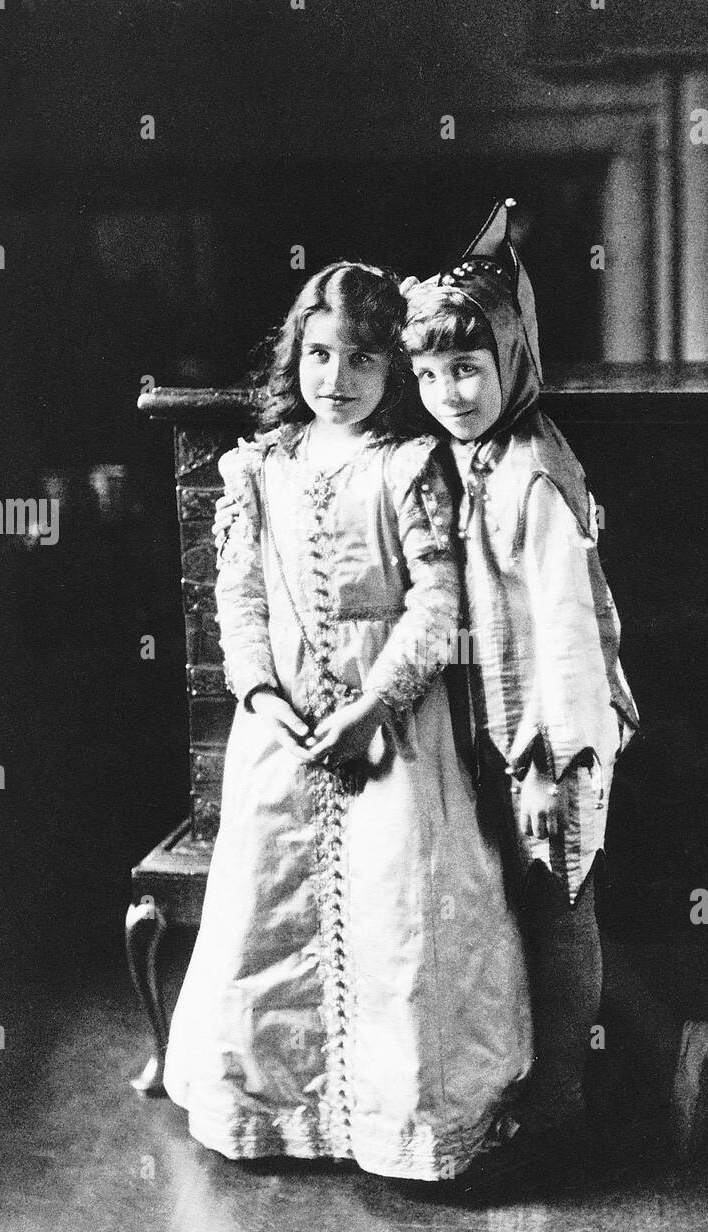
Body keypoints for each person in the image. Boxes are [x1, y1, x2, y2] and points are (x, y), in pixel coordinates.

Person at [164, 261, 533, 1181]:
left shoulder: (409, 467)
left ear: (391, 371)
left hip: (394, 734)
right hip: (283, 733)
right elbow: (238, 598)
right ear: (297, 355)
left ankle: (399, 1124)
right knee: (266, 915)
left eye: (361, 358)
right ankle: (280, 1114)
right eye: (320, 354)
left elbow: (436, 604)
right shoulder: (259, 471)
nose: (335, 378)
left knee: (398, 916)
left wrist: (375, 705)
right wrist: (258, 694)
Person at [399, 201, 708, 1167]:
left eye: (466, 369)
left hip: (552, 735)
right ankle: (667, 1048)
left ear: (512, 362)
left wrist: (556, 757)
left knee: (559, 902)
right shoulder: (475, 455)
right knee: (543, 903)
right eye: (426, 375)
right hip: (491, 729)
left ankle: (557, 1105)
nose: (447, 391)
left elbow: (569, 625)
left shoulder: (534, 468)